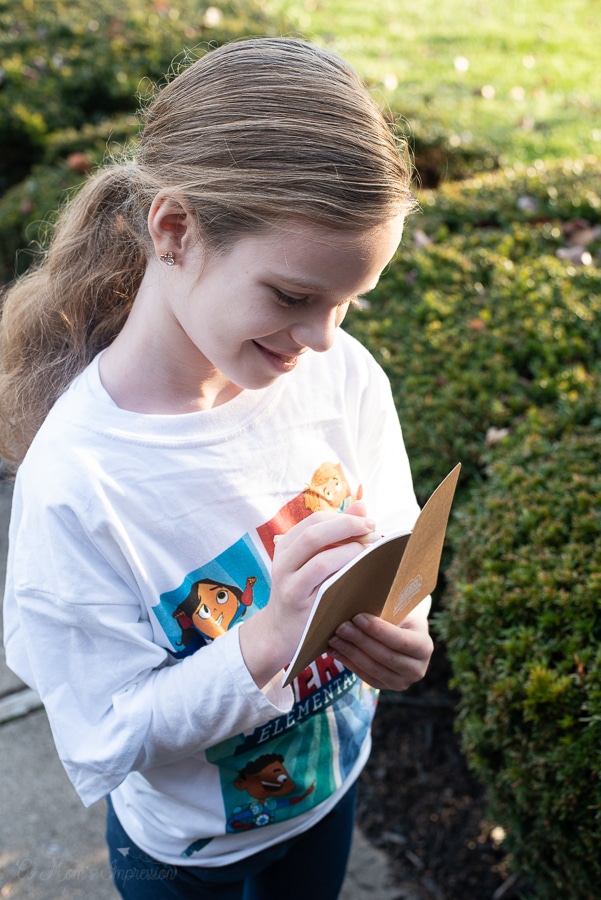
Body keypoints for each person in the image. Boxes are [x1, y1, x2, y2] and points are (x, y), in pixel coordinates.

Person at [0, 37, 434, 900]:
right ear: (174, 230)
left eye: (348, 302)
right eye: (291, 296)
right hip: (189, 859)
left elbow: (395, 539)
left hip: (329, 795)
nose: (321, 338)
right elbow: (102, 736)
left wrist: (407, 629)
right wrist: (261, 646)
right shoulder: (80, 483)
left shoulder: (339, 373)